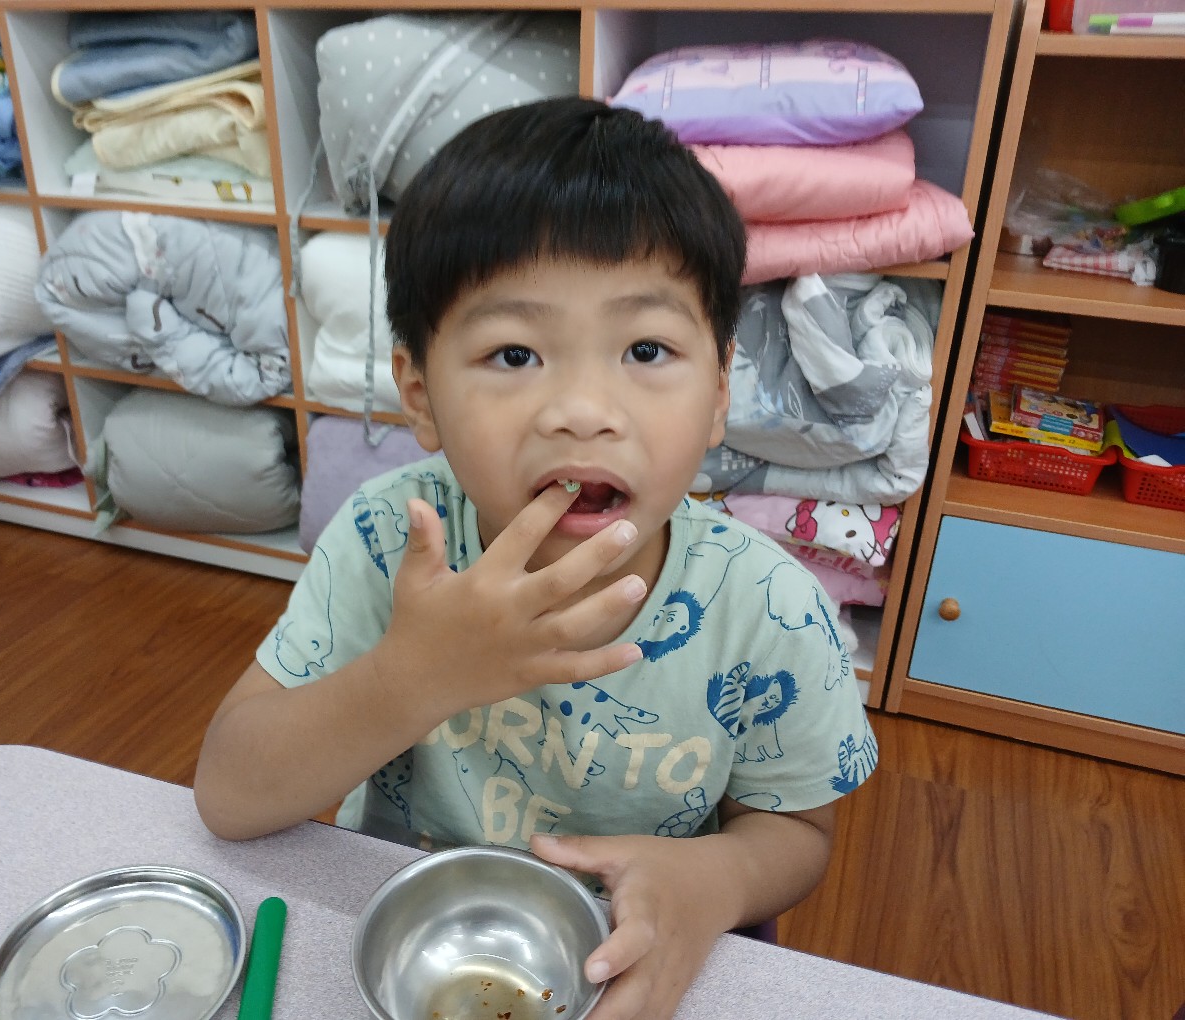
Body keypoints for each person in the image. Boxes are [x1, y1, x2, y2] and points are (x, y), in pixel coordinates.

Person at [194, 96, 878, 1020]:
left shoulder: (768, 605)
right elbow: (230, 795)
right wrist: (415, 674)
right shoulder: (388, 541)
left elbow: (796, 831)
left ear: (719, 392)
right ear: (419, 395)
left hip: (644, 951)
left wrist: (715, 880)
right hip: (408, 939)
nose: (583, 411)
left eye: (646, 348)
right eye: (515, 354)